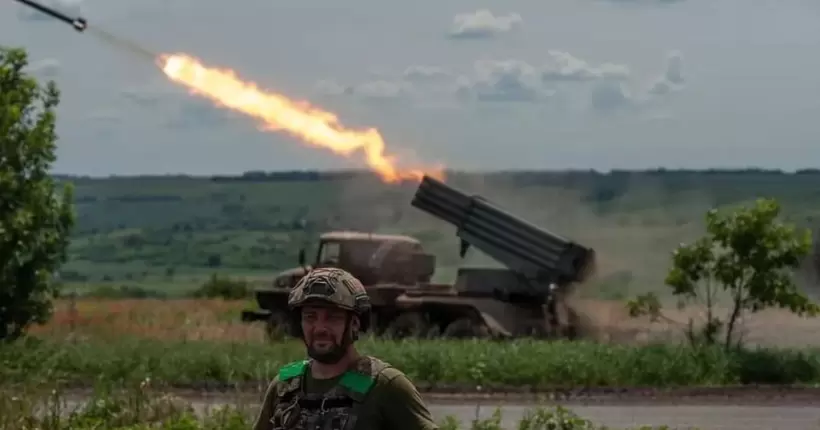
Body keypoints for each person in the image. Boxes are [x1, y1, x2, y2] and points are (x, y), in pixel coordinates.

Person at [252, 267, 439, 430]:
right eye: (310, 317)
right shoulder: (284, 385)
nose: (320, 328)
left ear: (355, 324)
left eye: (332, 317)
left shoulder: (386, 385)